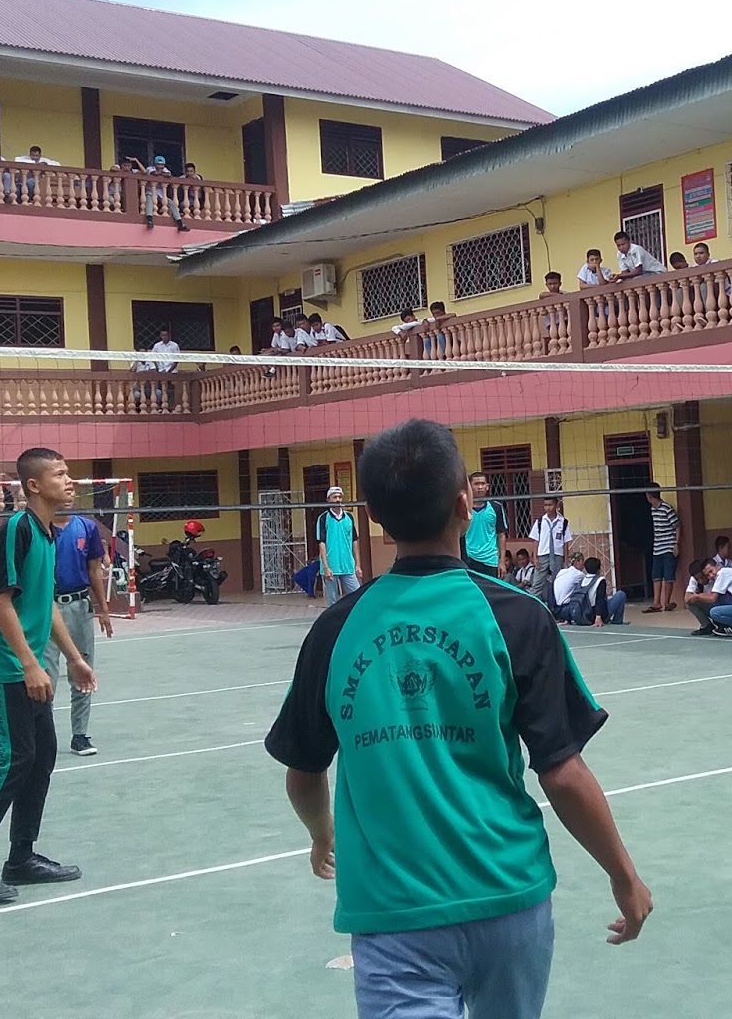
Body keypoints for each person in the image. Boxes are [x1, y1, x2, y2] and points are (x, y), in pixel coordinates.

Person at [266, 419, 651, 1017]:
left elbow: (303, 769)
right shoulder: (518, 616)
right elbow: (562, 772)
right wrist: (623, 874)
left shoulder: (336, 630)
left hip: (395, 914)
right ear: (465, 503)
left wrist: (322, 834)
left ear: (372, 517)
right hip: (507, 894)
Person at [0, 448, 98, 905]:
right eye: (60, 474)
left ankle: (21, 858)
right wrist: (30, 664)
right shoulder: (17, 529)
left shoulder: (49, 535)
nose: (70, 481)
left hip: (28, 664)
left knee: (41, 756)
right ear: (34, 485)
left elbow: (43, 603)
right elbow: (1, 602)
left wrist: (72, 657)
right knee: (11, 761)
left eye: (70, 472)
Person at [42, 509, 111, 756]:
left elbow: (94, 569)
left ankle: (79, 735)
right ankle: (43, 738)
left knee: (82, 669)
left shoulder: (86, 527)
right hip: (46, 606)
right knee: (46, 674)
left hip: (79, 605)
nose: (68, 493)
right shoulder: (39, 526)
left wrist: (103, 609)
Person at [317, 486, 361, 604]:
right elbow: (321, 543)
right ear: (328, 499)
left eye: (340, 497)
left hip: (347, 565)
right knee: (332, 601)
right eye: (334, 497)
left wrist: (358, 565)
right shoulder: (323, 518)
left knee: (357, 596)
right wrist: (326, 567)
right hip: (331, 566)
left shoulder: (349, 517)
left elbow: (354, 541)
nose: (338, 499)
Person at [461, 471, 507, 577]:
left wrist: (502, 561)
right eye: (476, 484)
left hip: (490, 560)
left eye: (482, 484)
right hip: (468, 559)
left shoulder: (496, 507)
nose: (480, 487)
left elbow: (501, 535)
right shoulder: (463, 507)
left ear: (487, 487)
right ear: (469, 487)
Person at [641, 483, 679, 613]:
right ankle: (656, 603)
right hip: (657, 547)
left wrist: (676, 544)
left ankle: (667, 602)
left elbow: (677, 526)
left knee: (668, 575)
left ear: (649, 495)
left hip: (668, 546)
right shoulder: (653, 509)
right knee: (656, 575)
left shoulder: (666, 508)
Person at [529, 497, 572, 604]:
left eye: (550, 505)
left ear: (556, 505)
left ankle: (557, 608)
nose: (547, 508)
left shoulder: (563, 522)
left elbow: (565, 543)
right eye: (545, 505)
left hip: (557, 556)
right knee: (537, 583)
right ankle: (533, 607)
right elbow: (536, 540)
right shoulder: (540, 522)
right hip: (543, 555)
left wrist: (565, 559)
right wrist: (535, 558)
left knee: (558, 582)